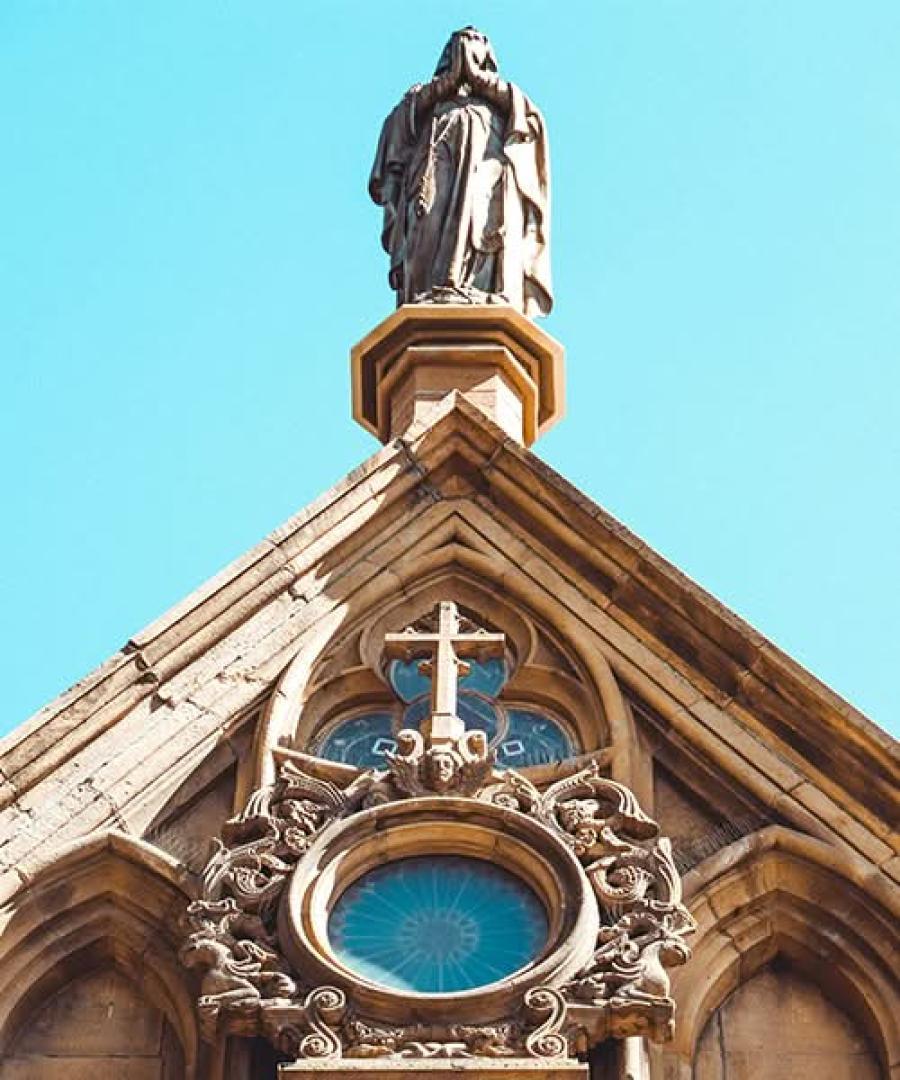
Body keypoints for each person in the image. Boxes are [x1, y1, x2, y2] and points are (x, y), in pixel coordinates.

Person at [369, 27, 552, 318]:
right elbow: (396, 134)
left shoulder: (506, 100)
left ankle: (481, 289)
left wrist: (482, 83)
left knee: (482, 225)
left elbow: (531, 126)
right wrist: (445, 85)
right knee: (428, 226)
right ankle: (431, 289)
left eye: (477, 40)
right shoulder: (421, 99)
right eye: (457, 43)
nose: (465, 45)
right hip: (433, 171)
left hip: (488, 173)